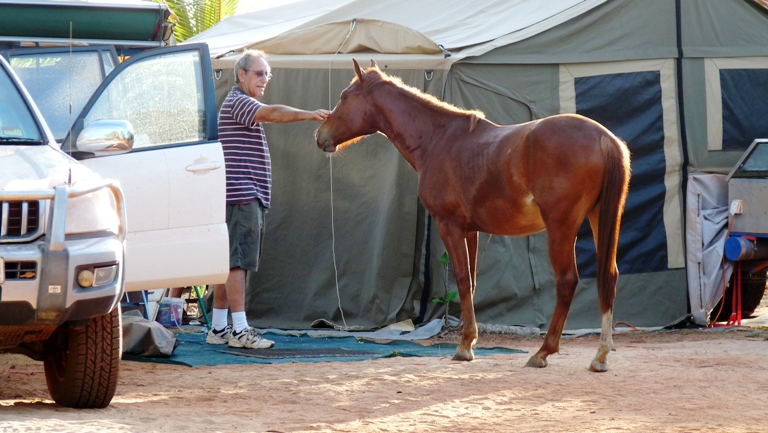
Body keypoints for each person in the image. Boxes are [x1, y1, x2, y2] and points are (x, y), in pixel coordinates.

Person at [206, 49, 330, 349]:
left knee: (229, 263)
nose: (265, 79)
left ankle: (219, 328)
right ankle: (239, 331)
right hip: (241, 196)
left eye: (267, 74)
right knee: (236, 264)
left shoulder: (240, 103)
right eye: (259, 73)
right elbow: (273, 113)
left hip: (243, 196)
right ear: (242, 75)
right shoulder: (239, 102)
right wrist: (309, 114)